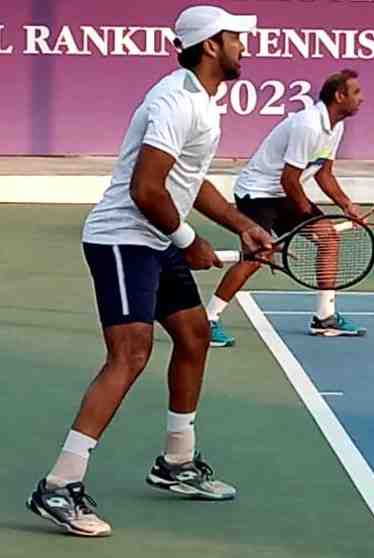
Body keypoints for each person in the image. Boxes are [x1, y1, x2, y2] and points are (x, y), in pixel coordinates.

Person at [25, 6, 272, 537]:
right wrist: (189, 241)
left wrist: (240, 224)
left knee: (194, 333)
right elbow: (146, 189)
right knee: (130, 353)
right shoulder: (174, 103)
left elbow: (191, 180)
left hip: (153, 238)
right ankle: (58, 486)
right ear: (211, 46)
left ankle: (176, 463)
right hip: (122, 238)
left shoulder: (204, 101)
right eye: (235, 38)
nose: (244, 46)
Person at [206, 69, 366, 346]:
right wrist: (304, 219)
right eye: (356, 93)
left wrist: (347, 205)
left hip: (282, 192)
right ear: (339, 96)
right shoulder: (309, 125)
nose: (361, 99)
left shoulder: (335, 126)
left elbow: (323, 173)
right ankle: (207, 320)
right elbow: (289, 179)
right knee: (256, 258)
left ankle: (324, 318)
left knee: (328, 237)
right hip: (257, 193)